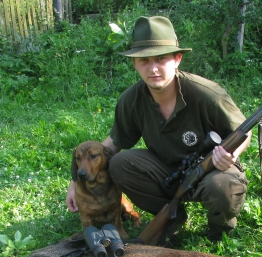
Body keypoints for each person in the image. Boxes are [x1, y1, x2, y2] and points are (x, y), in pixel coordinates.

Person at [67, 16, 250, 244]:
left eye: (161, 59)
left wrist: (232, 154)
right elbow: (111, 145)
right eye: (144, 60)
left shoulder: (207, 93)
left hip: (210, 168)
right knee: (119, 164)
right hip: (165, 171)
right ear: (135, 64)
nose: (153, 68)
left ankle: (218, 231)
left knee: (224, 185)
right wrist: (75, 181)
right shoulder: (131, 100)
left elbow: (244, 131)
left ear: (177, 59)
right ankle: (171, 215)